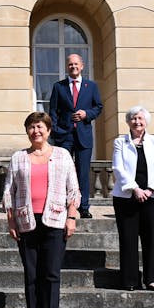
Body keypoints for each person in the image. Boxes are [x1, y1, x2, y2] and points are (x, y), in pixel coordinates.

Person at [3, 112, 80, 308]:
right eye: (31, 127)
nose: (35, 131)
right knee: (32, 275)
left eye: (39, 127)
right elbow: (9, 192)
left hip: (55, 221)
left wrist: (72, 218)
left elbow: (73, 190)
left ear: (48, 130)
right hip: (27, 221)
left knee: (51, 274)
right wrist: (11, 221)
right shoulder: (18, 158)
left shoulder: (62, 155)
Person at [111, 106, 154, 291]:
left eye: (140, 118)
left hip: (153, 197)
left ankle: (150, 278)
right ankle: (129, 280)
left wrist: (151, 189)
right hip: (126, 197)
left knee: (150, 238)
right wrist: (135, 189)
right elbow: (118, 168)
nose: (137, 122)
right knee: (128, 239)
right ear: (128, 122)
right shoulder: (120, 142)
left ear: (146, 121)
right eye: (133, 118)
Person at [49, 53, 103, 219]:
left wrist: (86, 114)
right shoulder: (59, 86)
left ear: (82, 66)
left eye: (76, 64)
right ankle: (61, 206)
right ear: (67, 67)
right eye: (70, 64)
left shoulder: (91, 86)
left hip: (84, 136)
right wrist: (56, 131)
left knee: (83, 173)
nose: (73, 67)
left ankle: (84, 206)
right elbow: (53, 111)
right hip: (64, 136)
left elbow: (98, 107)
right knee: (62, 172)